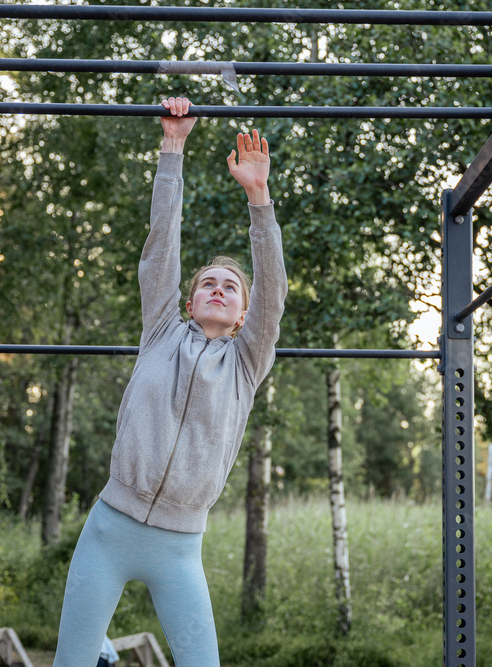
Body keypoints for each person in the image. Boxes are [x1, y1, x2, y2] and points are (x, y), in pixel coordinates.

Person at [53, 96, 287, 667]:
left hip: (180, 546)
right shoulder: (161, 330)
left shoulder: (246, 362)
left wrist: (259, 199)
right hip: (109, 528)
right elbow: (162, 243)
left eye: (230, 288)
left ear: (242, 316)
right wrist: (172, 147)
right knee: (71, 663)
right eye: (207, 283)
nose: (217, 289)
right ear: (187, 300)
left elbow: (274, 289)